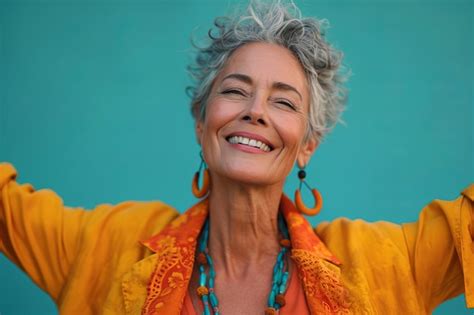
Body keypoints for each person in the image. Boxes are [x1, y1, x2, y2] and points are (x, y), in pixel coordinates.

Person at [1, 1, 472, 314]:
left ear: (308, 143)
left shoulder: (385, 261)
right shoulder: (106, 246)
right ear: (201, 120)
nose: (254, 112)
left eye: (284, 102)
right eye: (235, 91)